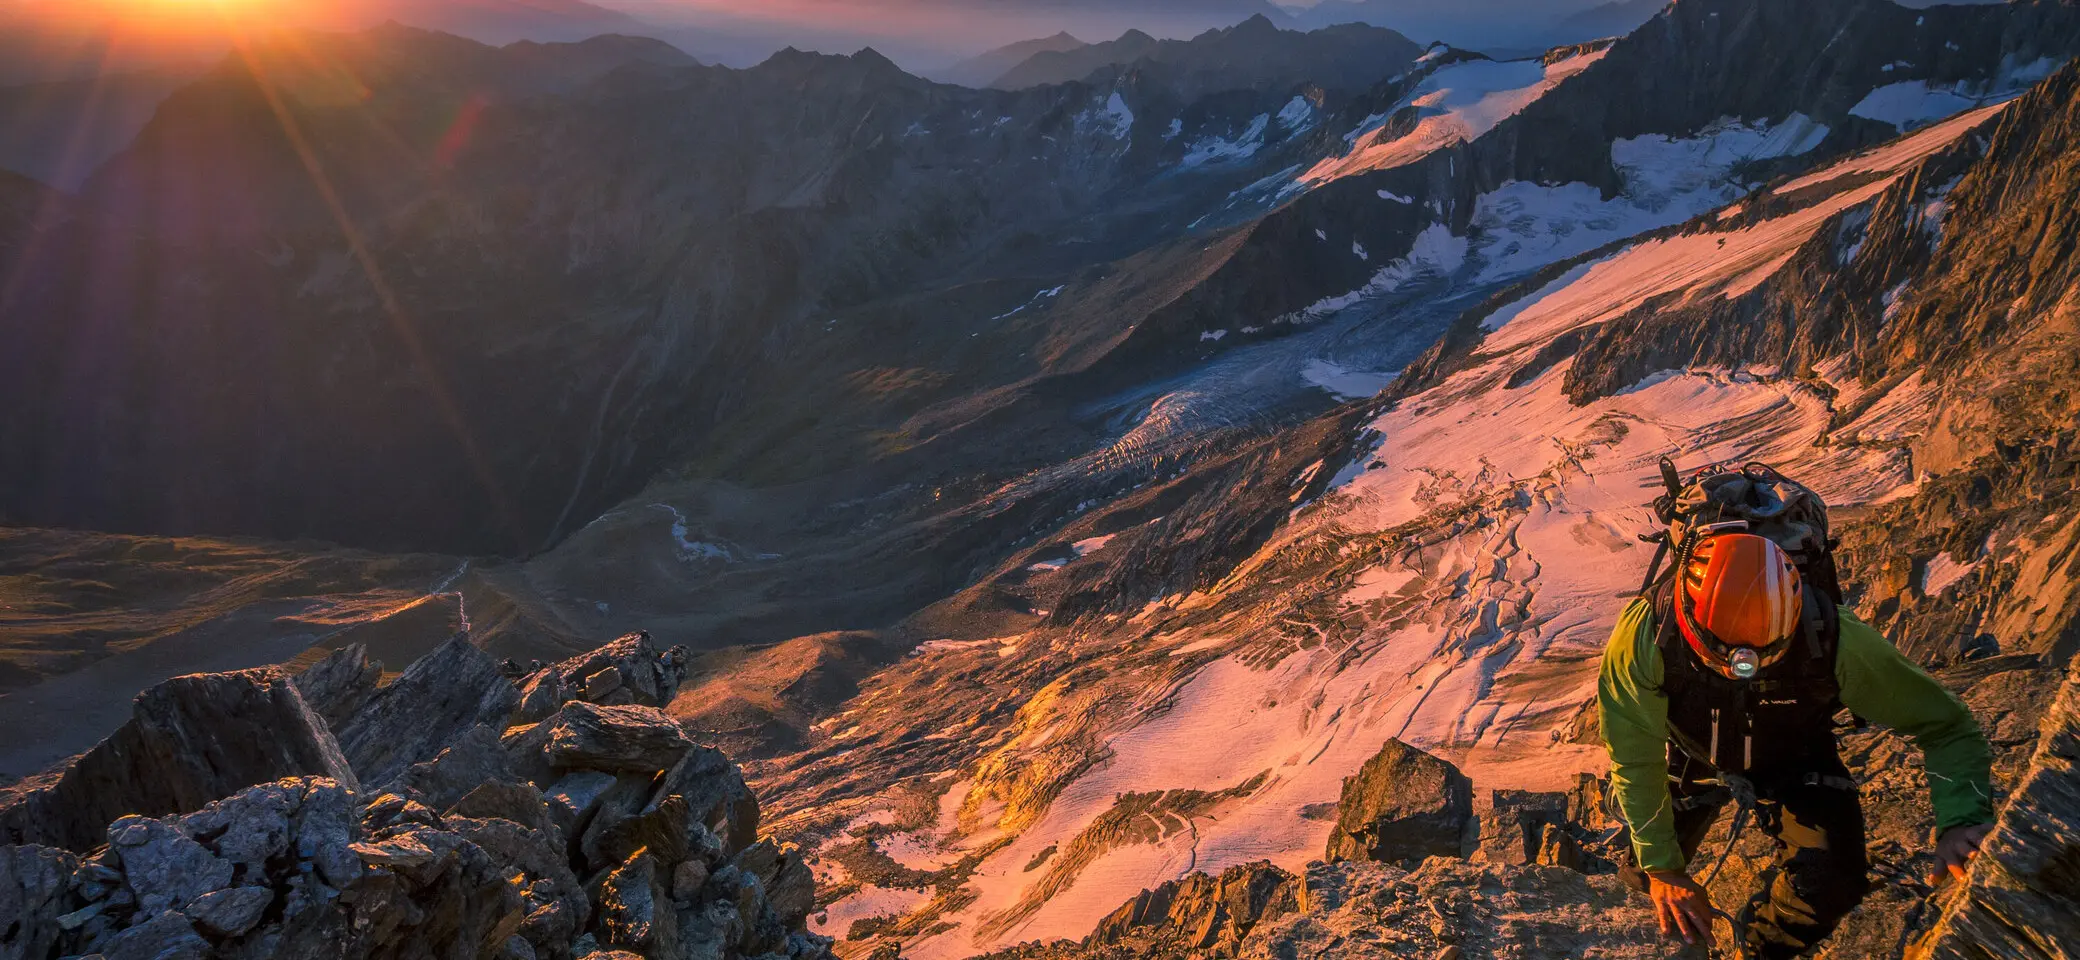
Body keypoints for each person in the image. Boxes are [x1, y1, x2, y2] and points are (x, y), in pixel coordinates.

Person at [1599, 519, 1996, 957]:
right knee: (1644, 880)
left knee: (1831, 882)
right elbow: (1635, 758)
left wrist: (1961, 817)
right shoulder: (1645, 634)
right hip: (1694, 749)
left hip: (1792, 751)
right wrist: (1663, 871)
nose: (1738, 671)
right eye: (1721, 658)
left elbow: (1945, 725)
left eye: (1764, 657)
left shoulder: (1837, 638)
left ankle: (1756, 951)